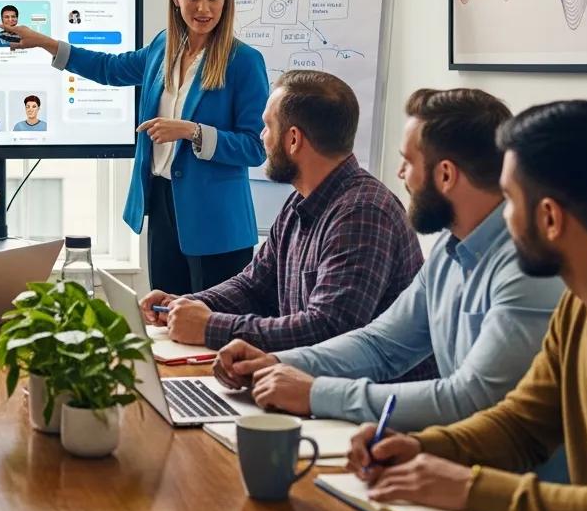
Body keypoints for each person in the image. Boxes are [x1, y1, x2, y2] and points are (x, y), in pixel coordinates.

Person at [346, 100, 587, 511]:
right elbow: (520, 426)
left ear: (550, 218)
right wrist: (420, 446)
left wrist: (470, 487)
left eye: (510, 201)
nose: (502, 220)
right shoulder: (577, 309)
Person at [214, 88, 564, 430]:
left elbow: (472, 399)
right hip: (447, 459)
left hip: (511, 480)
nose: (399, 174)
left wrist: (317, 393)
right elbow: (380, 345)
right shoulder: (449, 249)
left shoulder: (527, 268)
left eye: (408, 161)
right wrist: (275, 362)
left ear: (445, 175)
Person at [4, 0, 268, 292]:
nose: (204, 8)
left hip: (217, 221)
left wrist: (192, 131)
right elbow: (110, 69)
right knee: (165, 321)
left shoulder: (244, 61)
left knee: (211, 328)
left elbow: (256, 147)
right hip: (162, 205)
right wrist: (45, 43)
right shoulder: (164, 46)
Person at [140, 70, 428, 358]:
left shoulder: (363, 215)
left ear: (293, 140)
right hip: (313, 384)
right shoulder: (300, 202)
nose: (262, 137)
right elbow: (254, 287)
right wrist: (184, 305)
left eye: (267, 126)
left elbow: (328, 330)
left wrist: (209, 326)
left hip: (372, 398)